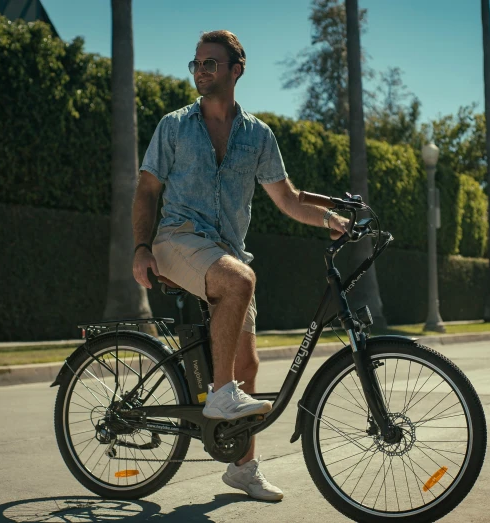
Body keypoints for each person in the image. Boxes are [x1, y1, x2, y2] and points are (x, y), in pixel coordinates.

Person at [131, 30, 348, 501]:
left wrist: (330, 218)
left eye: (211, 63)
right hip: (177, 240)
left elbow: (288, 199)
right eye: (197, 63)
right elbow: (147, 190)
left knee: (247, 365)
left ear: (236, 70)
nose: (201, 71)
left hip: (225, 251)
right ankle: (219, 391)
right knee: (240, 281)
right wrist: (141, 248)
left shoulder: (258, 136)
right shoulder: (173, 126)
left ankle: (242, 469)